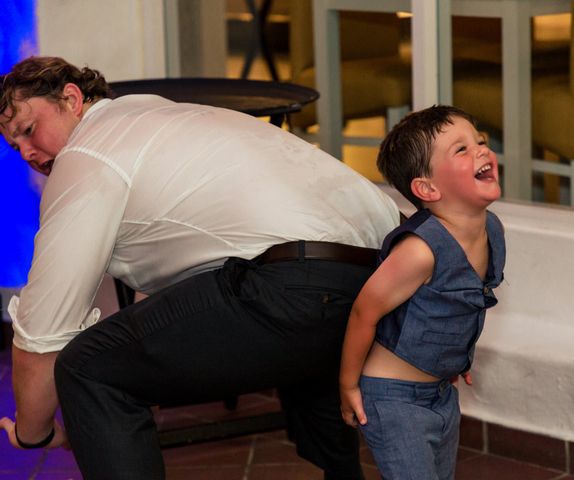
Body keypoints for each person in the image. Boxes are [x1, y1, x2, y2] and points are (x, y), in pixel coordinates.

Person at [0, 56, 400, 480]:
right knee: (309, 322)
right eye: (13, 146)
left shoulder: (88, 153)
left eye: (28, 129)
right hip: (374, 281)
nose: (26, 151)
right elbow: (177, 279)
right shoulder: (159, 115)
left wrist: (33, 433)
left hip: (291, 289)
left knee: (85, 368)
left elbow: (42, 334)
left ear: (72, 98)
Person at [339, 105, 506, 479]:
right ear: (427, 188)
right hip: (393, 400)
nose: (481, 149)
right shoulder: (419, 251)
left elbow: (459, 302)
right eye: (461, 149)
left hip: (440, 394)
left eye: (479, 140)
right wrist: (348, 385)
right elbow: (364, 312)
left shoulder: (491, 229)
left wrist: (454, 357)